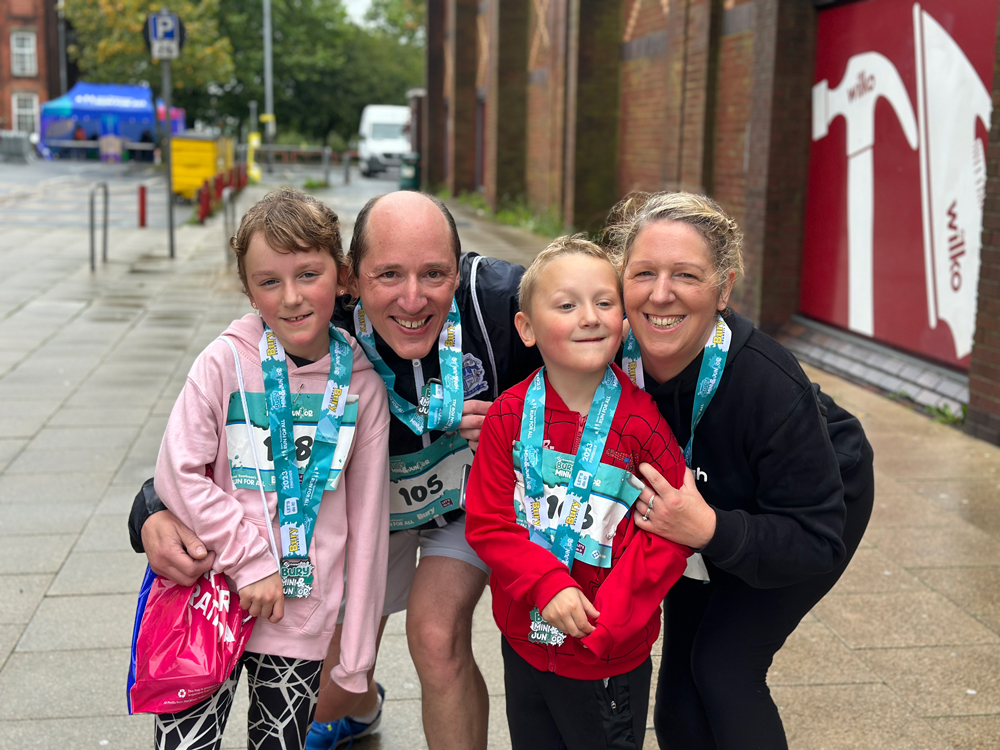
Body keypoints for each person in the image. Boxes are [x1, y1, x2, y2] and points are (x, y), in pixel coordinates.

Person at [129, 190, 542, 749]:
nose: (413, 299)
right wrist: (152, 511)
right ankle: (360, 708)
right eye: (388, 275)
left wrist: (524, 425)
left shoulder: (502, 301)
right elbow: (213, 430)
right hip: (365, 510)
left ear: (460, 264)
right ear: (353, 278)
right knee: (331, 684)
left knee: (435, 636)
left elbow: (598, 368)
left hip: (463, 508)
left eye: (435, 274)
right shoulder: (319, 319)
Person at [603, 191, 874, 749]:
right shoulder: (606, 351)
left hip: (809, 506)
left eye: (686, 276)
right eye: (643, 273)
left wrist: (711, 531)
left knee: (725, 669)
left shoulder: (767, 383)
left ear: (724, 289)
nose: (660, 294)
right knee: (679, 694)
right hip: (694, 510)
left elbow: (816, 539)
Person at [146, 188, 391, 749]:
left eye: (308, 274)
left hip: (301, 617)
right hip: (206, 598)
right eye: (268, 281)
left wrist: (354, 654)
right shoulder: (223, 362)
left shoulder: (362, 388)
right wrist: (250, 559)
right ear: (247, 288)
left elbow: (368, 524)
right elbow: (176, 473)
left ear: (343, 276)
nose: (291, 298)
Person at [464, 237, 692, 749]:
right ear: (527, 328)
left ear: (624, 322)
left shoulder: (642, 426)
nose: (589, 317)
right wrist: (546, 585)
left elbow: (672, 533)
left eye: (604, 302)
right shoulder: (507, 415)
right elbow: (489, 521)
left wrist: (609, 622)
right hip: (525, 638)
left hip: (604, 654)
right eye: (567, 305)